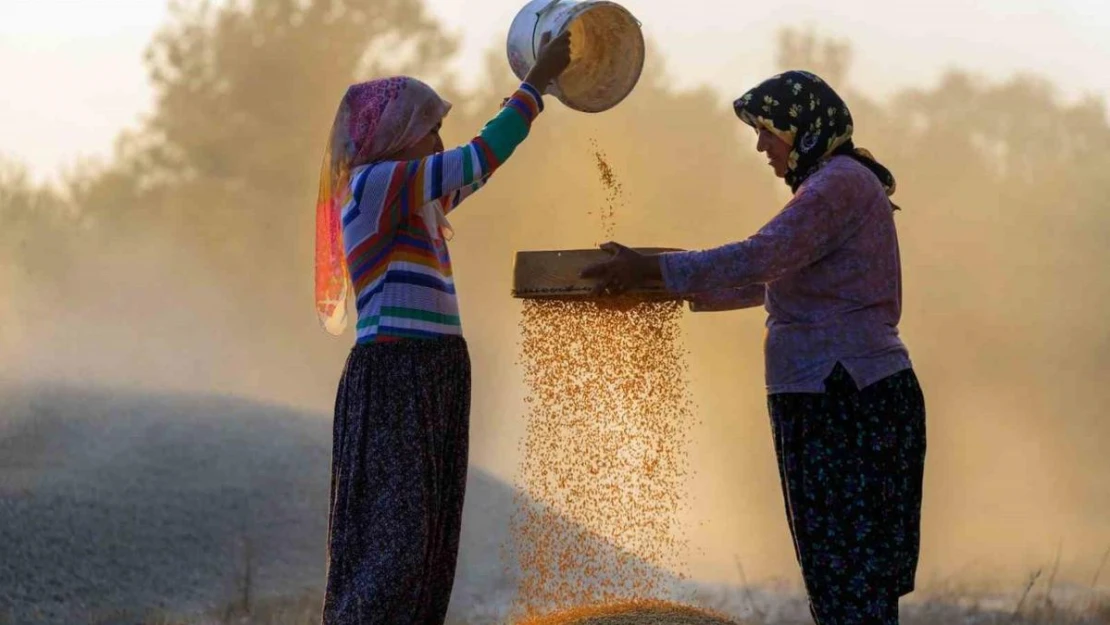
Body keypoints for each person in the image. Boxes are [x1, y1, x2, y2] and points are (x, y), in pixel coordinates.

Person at [580, 70, 927, 625]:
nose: (761, 145)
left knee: (851, 577)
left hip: (846, 394)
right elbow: (766, 279)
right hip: (832, 392)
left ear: (803, 127)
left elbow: (761, 256)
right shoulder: (835, 184)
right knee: (840, 577)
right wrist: (655, 288)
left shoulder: (838, 184)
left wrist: (655, 270)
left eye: (768, 130)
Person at [312, 32, 572, 625]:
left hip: (435, 374)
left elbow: (478, 168)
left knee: (429, 545)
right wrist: (536, 86)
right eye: (429, 130)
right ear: (395, 136)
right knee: (394, 547)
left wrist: (541, 91)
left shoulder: (415, 197)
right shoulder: (376, 184)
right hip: (397, 373)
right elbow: (479, 156)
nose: (438, 143)